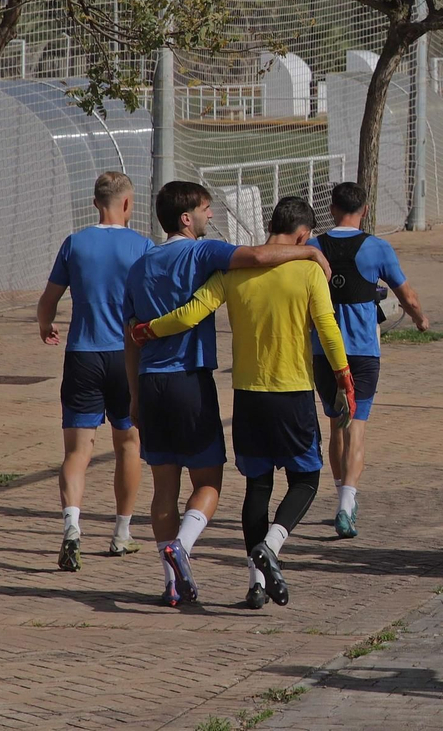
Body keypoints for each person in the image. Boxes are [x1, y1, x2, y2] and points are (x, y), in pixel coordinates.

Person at [123, 180, 331, 607]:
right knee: (208, 483)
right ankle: (182, 545)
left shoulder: (140, 265)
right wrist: (309, 251)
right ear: (187, 218)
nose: (210, 216)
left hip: (149, 381)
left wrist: (133, 396)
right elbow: (257, 256)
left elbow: (130, 337)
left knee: (163, 487)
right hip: (189, 380)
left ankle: (172, 583)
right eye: (205, 209)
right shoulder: (202, 252)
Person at [36, 171, 153, 570]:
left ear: (94, 203)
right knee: (129, 445)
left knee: (76, 451)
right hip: (127, 355)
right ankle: (122, 533)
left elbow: (47, 300)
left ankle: (72, 527)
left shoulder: (75, 244)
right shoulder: (141, 245)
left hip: (82, 354)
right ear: (126, 204)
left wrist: (45, 324)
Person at [309, 182, 430, 540]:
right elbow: (405, 293)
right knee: (356, 427)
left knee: (334, 426)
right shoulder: (377, 248)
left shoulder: (313, 247)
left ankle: (340, 496)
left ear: (331, 209)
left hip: (323, 351)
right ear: (364, 210)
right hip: (362, 352)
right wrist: (421, 320)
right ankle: (347, 503)